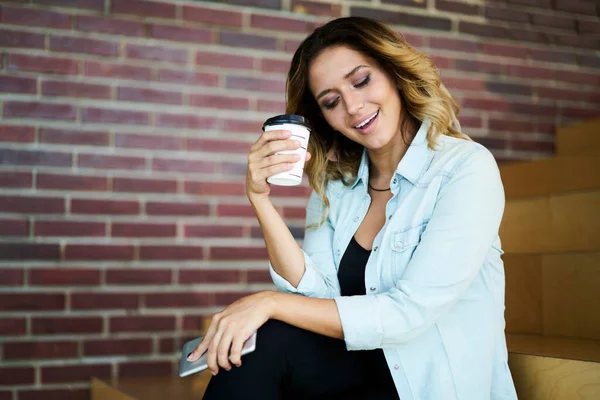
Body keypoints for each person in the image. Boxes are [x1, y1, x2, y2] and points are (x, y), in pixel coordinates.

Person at [187, 16, 518, 400]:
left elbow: (408, 314)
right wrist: (259, 200)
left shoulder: (465, 167)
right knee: (264, 341)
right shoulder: (337, 187)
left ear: (394, 73)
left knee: (270, 326)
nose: (354, 106)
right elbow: (317, 296)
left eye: (361, 81)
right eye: (331, 101)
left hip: (428, 383)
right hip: (359, 370)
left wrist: (268, 302)